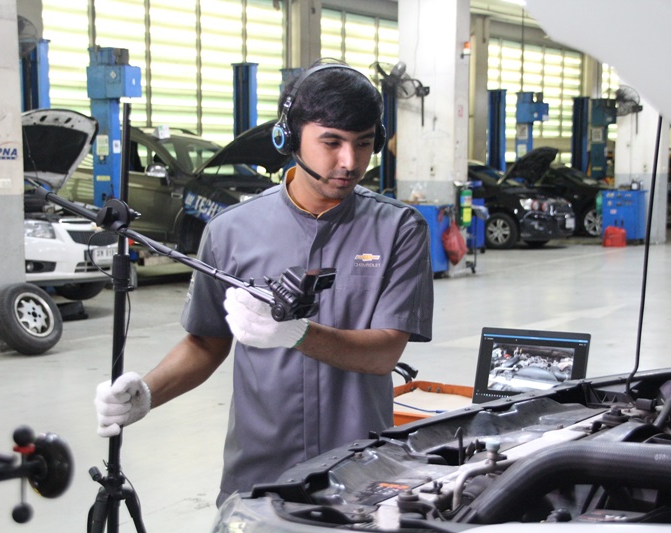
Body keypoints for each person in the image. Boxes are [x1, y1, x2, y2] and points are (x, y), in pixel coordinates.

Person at [94, 59, 434, 506]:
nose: (350, 162)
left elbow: (385, 352)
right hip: (258, 474)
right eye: (331, 142)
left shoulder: (399, 229)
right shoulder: (231, 231)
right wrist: (148, 393)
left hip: (361, 475)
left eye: (364, 144)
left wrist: (295, 334)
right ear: (289, 138)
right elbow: (206, 342)